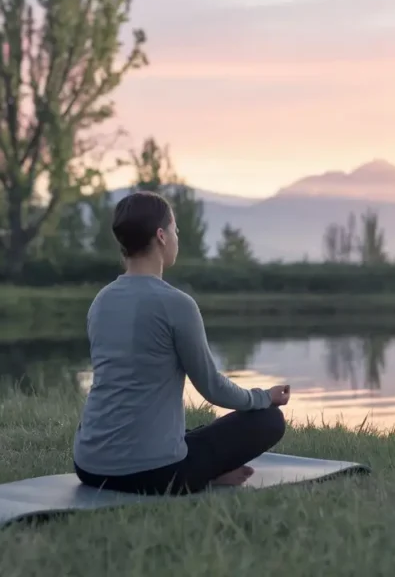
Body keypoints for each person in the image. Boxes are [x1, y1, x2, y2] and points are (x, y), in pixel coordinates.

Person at [72, 190, 291, 495]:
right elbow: (212, 388)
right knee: (269, 420)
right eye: (175, 229)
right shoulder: (177, 304)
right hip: (154, 474)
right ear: (161, 236)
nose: (178, 236)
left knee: (189, 435)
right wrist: (263, 397)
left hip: (89, 466)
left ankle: (206, 471)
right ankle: (205, 473)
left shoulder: (101, 301)